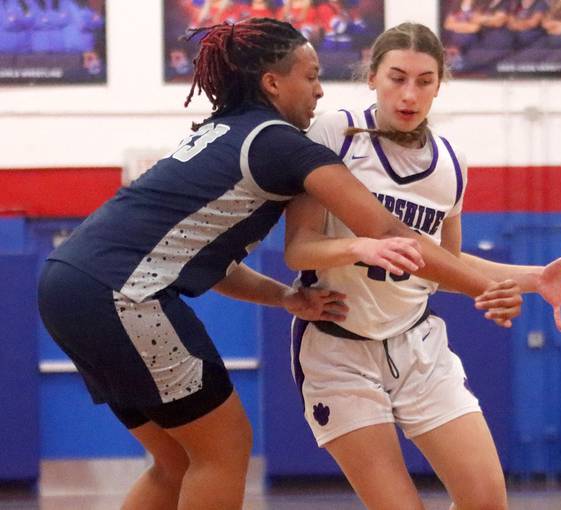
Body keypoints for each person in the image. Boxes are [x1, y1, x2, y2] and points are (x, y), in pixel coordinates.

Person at [37, 18, 520, 510]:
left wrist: (286, 297)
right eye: (310, 77)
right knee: (224, 449)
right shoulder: (283, 142)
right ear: (273, 82)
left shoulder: (227, 133)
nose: (318, 89)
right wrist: (485, 285)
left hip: (65, 285)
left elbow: (216, 266)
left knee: (176, 462)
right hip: (122, 295)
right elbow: (389, 232)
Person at [284, 22, 561, 509]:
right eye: (397, 77)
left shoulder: (451, 164)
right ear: (372, 77)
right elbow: (299, 248)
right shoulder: (336, 133)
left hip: (417, 345)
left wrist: (534, 280)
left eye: (424, 80)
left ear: (440, 84)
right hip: (337, 349)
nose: (409, 93)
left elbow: (446, 264)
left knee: (487, 501)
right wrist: (359, 247)